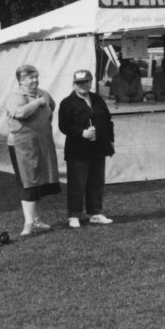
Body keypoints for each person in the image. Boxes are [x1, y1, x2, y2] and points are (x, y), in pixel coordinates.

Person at [5, 64, 60, 236]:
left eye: (36, 76)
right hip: (21, 145)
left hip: (40, 143)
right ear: (21, 80)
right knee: (27, 181)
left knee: (38, 180)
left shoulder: (44, 93)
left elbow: (52, 105)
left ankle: (36, 220)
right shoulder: (15, 96)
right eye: (31, 77)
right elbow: (20, 114)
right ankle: (28, 223)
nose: (35, 80)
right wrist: (37, 102)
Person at [58, 69, 115, 229]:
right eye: (79, 83)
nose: (83, 85)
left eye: (86, 82)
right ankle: (74, 215)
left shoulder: (97, 98)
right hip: (78, 150)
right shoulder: (67, 103)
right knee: (77, 184)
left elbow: (108, 120)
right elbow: (64, 126)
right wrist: (81, 132)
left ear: (91, 82)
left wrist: (111, 139)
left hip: (98, 148)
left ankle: (95, 213)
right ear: (74, 84)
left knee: (96, 183)